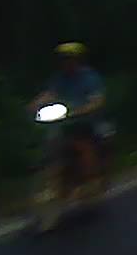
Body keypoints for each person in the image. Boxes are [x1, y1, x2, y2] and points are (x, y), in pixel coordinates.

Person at [29, 42, 109, 192]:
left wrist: (84, 109)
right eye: (63, 59)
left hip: (87, 120)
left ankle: (92, 177)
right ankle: (52, 184)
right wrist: (34, 105)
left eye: (69, 58)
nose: (66, 62)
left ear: (78, 59)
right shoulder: (59, 78)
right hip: (65, 122)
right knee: (51, 143)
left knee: (84, 143)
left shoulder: (90, 77)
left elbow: (97, 100)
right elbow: (49, 94)